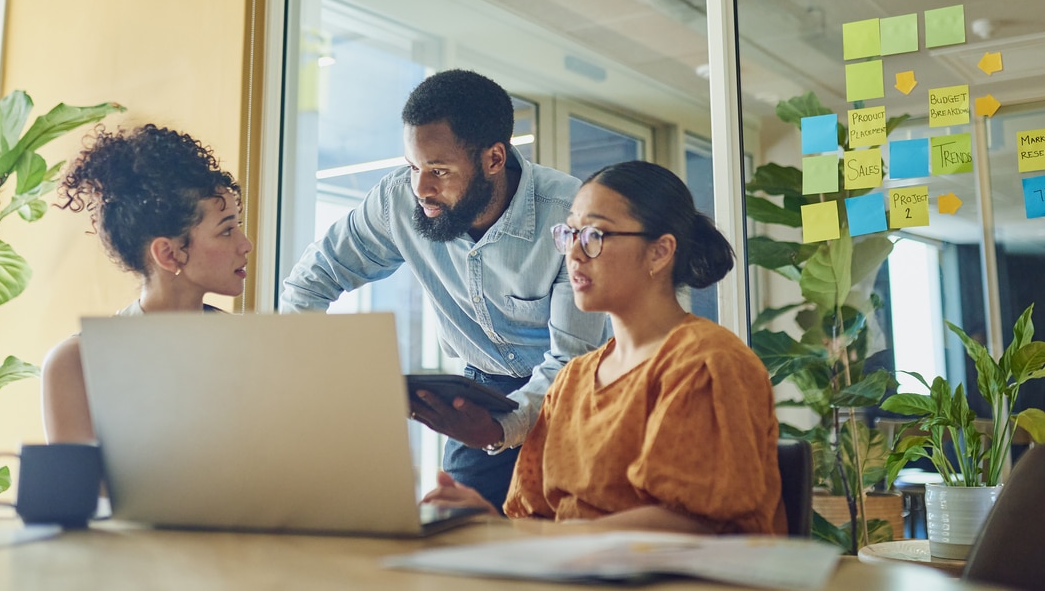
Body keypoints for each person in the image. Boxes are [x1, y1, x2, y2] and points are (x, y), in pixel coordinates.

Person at [279, 69, 608, 512]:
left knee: (563, 530)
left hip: (578, 390)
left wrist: (500, 429)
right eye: (414, 166)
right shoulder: (398, 200)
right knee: (452, 528)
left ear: (494, 158)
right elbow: (310, 281)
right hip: (478, 389)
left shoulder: (568, 216)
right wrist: (303, 376)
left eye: (439, 170)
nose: (421, 188)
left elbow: (572, 361)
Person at [423, 160, 785, 534]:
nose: (574, 254)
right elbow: (534, 515)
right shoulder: (572, 379)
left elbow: (687, 524)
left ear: (659, 253)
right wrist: (484, 518)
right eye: (569, 234)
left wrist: (513, 534)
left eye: (595, 236)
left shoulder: (706, 363)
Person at [41, 124, 252, 443]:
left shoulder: (251, 349)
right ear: (168, 254)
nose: (245, 244)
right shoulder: (75, 364)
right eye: (226, 230)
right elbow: (81, 491)